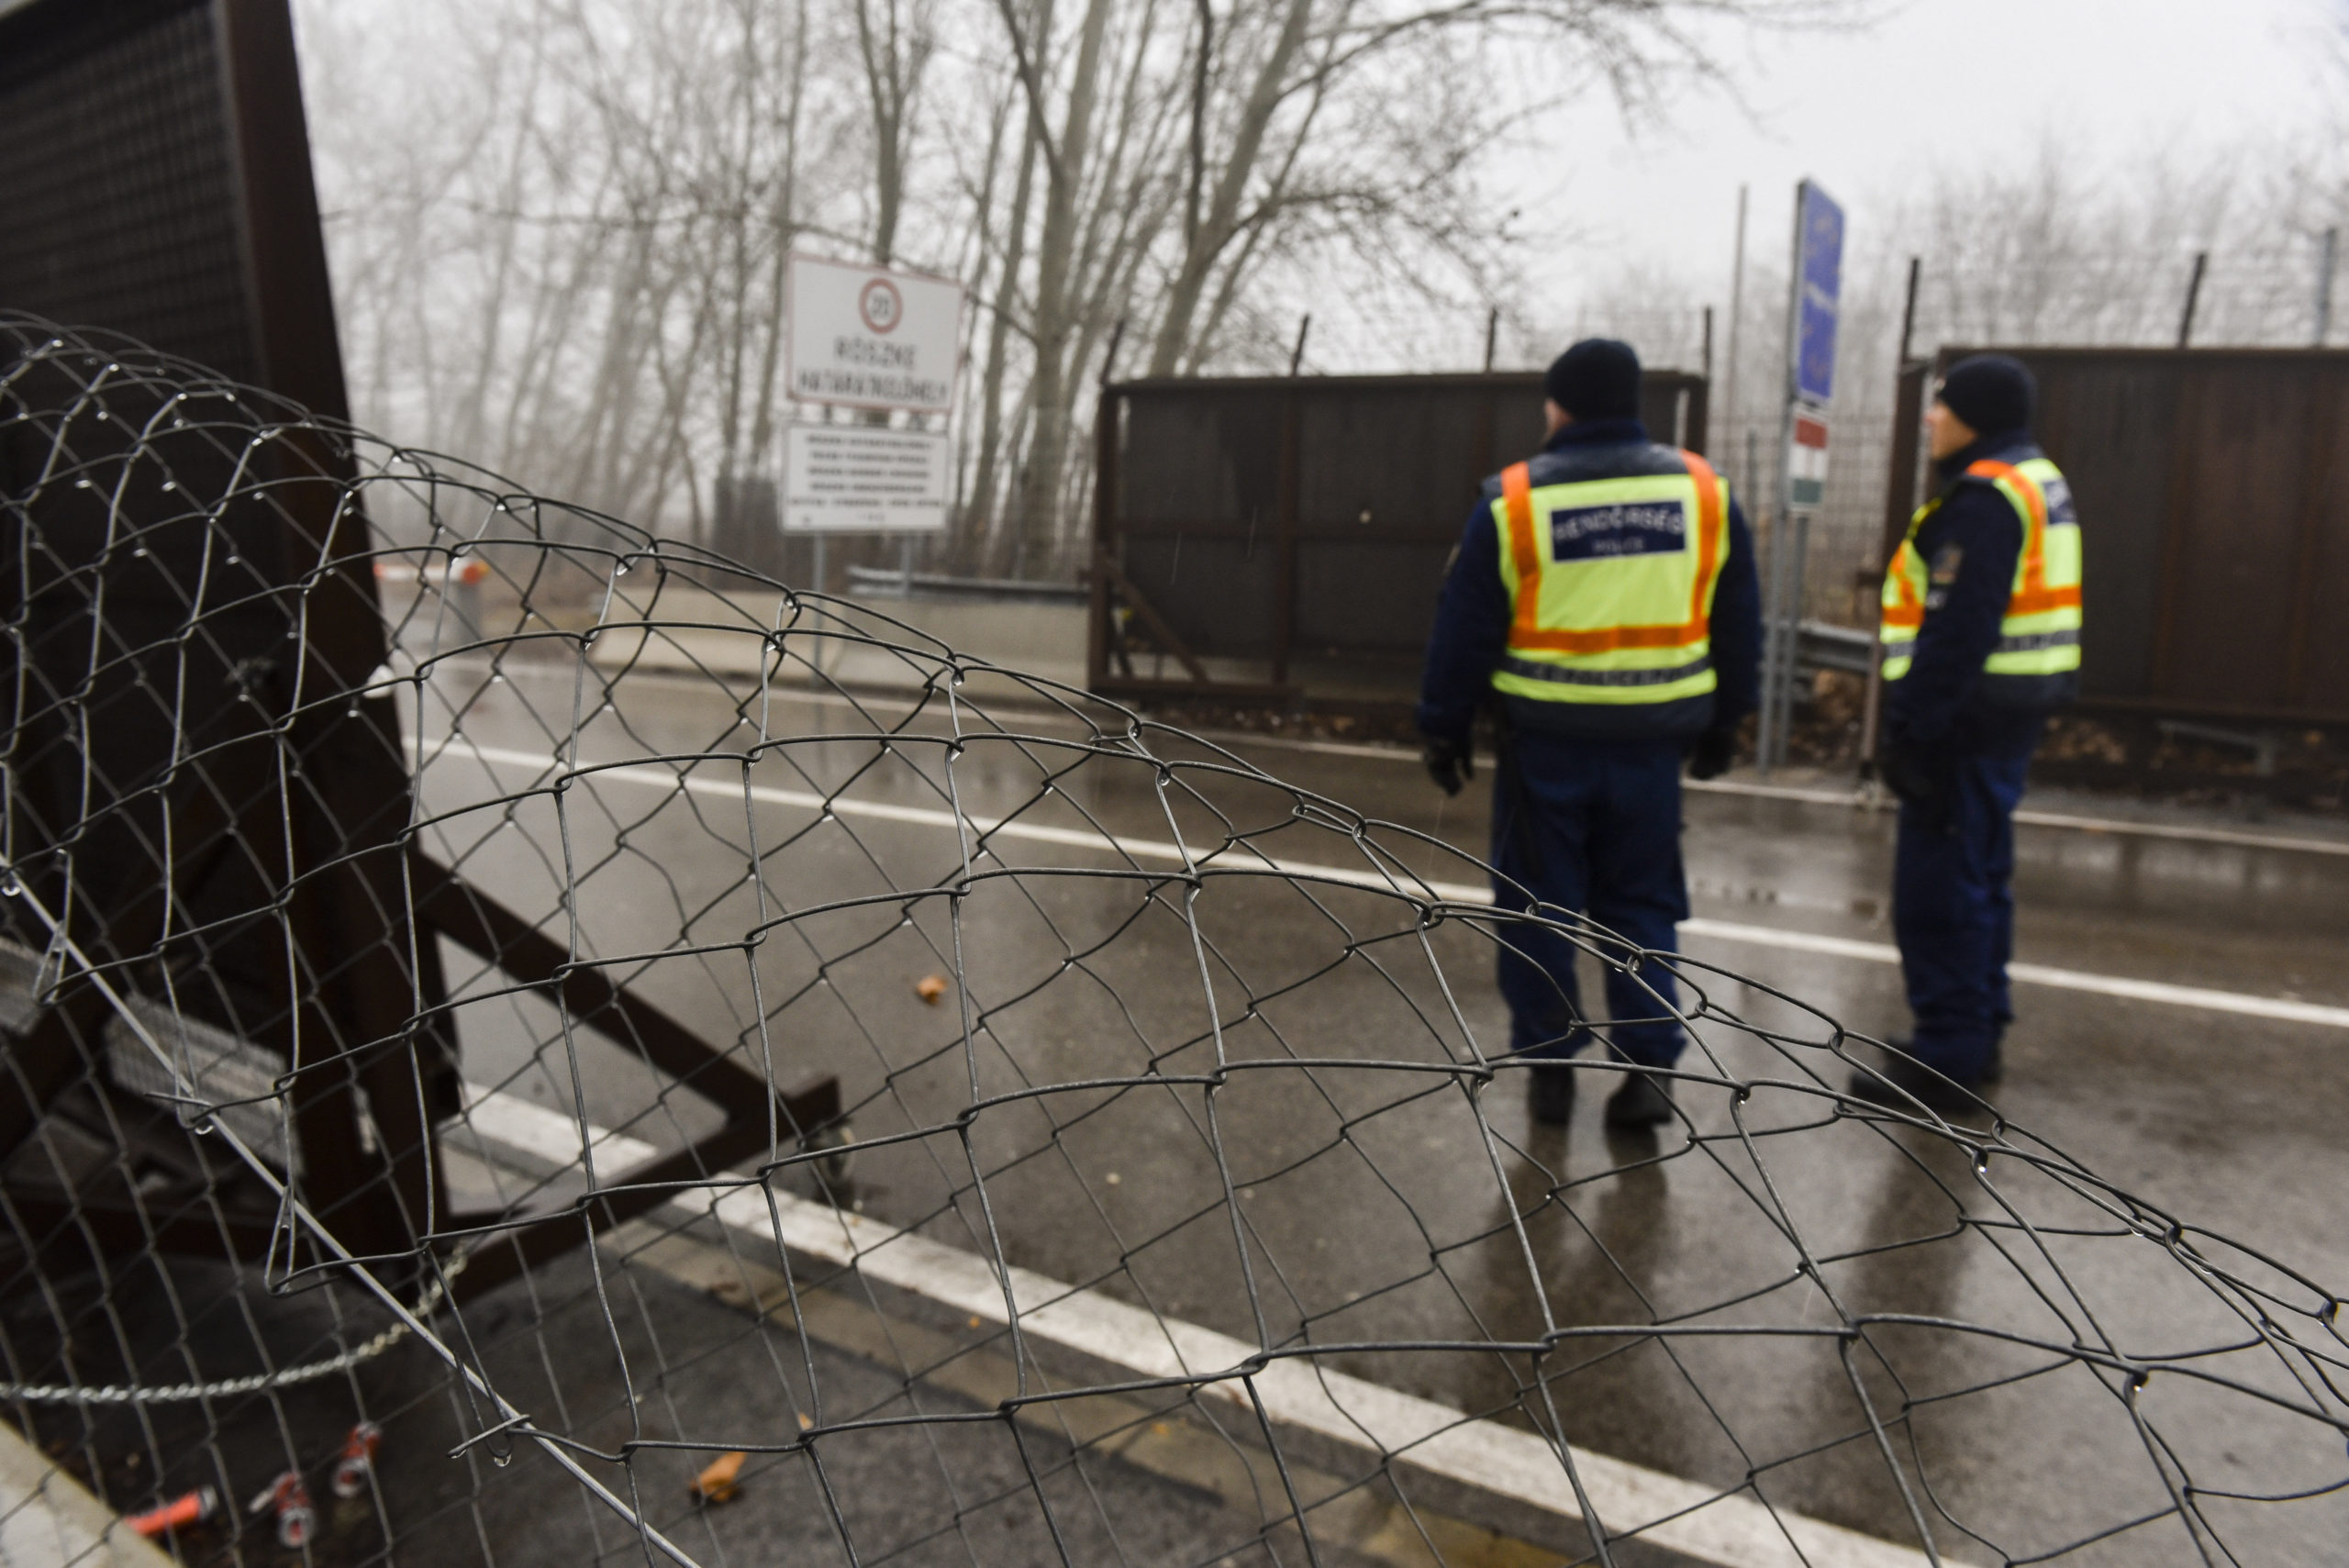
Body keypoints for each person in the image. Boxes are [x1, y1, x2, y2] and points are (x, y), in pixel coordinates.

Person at [1418, 339, 1762, 1129]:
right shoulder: (1705, 493)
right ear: (1634, 402)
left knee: (1538, 907)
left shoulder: (1513, 501)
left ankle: (1549, 1069)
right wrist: (1728, 719)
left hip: (1547, 751)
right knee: (1640, 903)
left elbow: (1463, 629)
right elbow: (1738, 617)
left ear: (1559, 406)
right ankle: (1650, 1071)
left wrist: (1443, 727)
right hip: (1652, 747)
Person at [1857, 353, 2081, 1115]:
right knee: (1983, 875)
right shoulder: (2036, 479)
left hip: (1964, 721)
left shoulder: (1987, 496)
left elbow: (1958, 627)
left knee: (1941, 888)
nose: (1931, 418)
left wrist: (1915, 730)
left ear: (1975, 414)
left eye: (1942, 405)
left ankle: (1947, 1055)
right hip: (2007, 714)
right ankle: (1978, 1032)